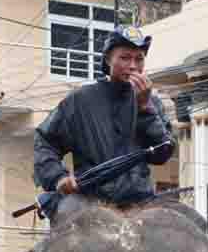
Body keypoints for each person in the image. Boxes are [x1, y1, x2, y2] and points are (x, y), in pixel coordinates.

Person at [32, 26, 174, 221]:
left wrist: (144, 108)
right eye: (125, 58)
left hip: (141, 203)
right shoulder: (80, 100)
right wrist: (58, 177)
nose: (133, 66)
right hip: (91, 202)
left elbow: (162, 153)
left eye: (139, 59)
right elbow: (44, 142)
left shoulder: (151, 102)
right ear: (108, 60)